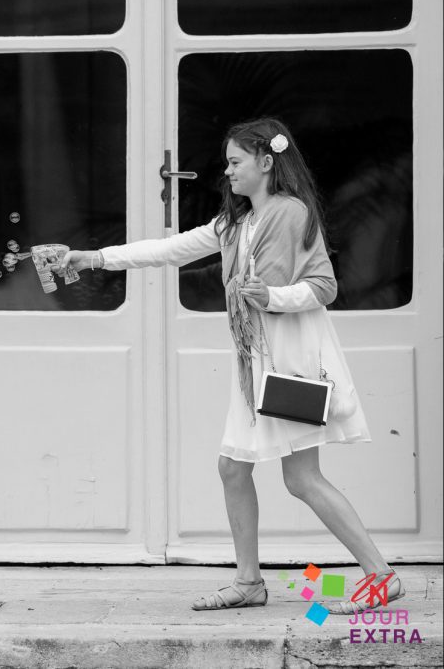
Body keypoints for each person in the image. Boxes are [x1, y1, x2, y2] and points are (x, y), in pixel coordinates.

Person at [57, 118, 403, 613]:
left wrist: (273, 296)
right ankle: (249, 582)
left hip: (290, 367)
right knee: (234, 468)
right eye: (227, 163)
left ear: (267, 162)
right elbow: (170, 250)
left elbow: (324, 286)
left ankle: (380, 576)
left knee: (300, 478)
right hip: (257, 370)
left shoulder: (291, 213)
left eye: (235, 162)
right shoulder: (236, 225)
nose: (228, 172)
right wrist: (94, 259)